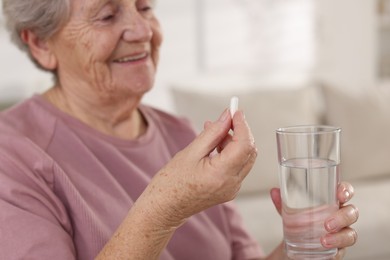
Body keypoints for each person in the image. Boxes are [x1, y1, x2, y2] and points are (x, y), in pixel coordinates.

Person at [0, 0, 358, 259]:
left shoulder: (182, 134)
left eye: (144, 7)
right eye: (107, 15)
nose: (142, 31)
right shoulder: (11, 154)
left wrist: (308, 249)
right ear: (41, 43)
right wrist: (165, 208)